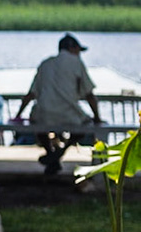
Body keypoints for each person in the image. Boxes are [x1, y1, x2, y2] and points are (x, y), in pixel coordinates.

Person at [14, 33, 100, 175]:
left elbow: (31, 94)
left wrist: (18, 115)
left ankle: (51, 153)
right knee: (86, 125)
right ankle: (61, 152)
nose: (79, 54)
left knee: (36, 122)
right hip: (69, 114)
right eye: (78, 50)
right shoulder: (76, 63)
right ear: (71, 48)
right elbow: (89, 94)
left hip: (44, 114)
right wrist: (97, 117)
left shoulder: (45, 64)